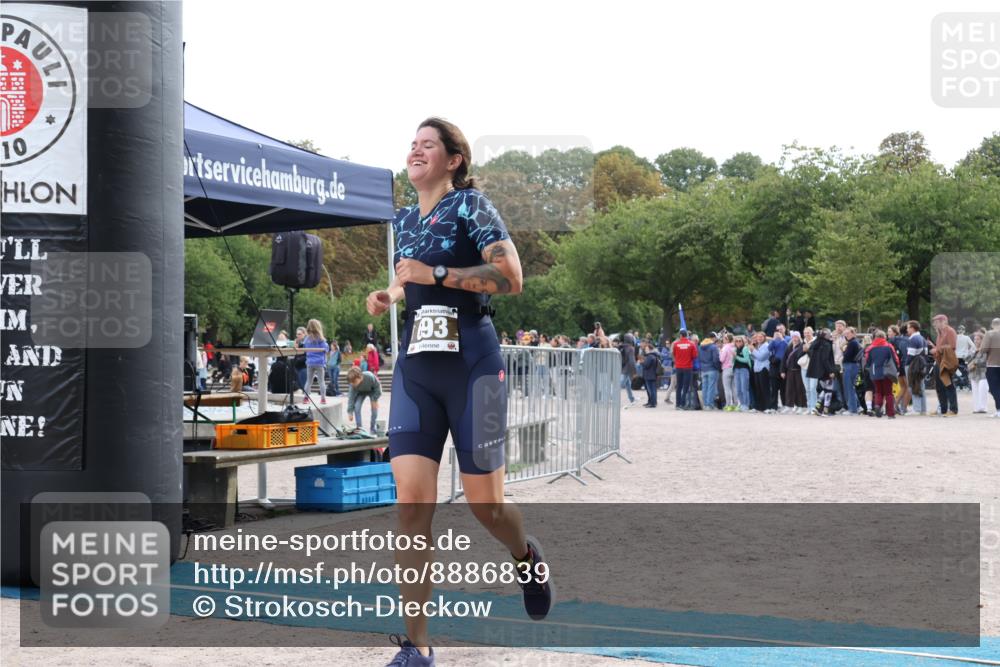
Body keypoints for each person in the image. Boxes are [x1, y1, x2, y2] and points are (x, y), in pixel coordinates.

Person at [365, 117, 549, 665]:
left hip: (476, 365)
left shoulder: (473, 207)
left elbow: (511, 278)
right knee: (411, 505)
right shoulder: (403, 216)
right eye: (412, 144)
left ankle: (525, 555)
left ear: (454, 160)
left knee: (485, 505)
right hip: (418, 367)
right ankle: (417, 647)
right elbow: (408, 274)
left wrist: (436, 273)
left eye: (428, 144)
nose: (416, 150)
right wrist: (392, 293)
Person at [864, 329, 901, 418]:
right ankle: (890, 414)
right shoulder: (889, 346)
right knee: (888, 393)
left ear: (875, 337)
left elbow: (867, 362)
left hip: (875, 372)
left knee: (878, 391)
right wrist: (897, 368)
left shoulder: (870, 348)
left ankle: (877, 405)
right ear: (885, 337)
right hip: (887, 372)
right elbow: (895, 359)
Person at [930, 314, 959, 416]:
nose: (934, 324)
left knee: (948, 385)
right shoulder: (939, 333)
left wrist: (937, 349)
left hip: (947, 362)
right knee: (939, 386)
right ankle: (943, 409)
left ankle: (953, 410)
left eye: (936, 322)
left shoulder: (950, 331)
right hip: (939, 361)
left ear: (944, 321)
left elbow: (953, 346)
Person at [806, 329, 837, 415]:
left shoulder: (816, 343)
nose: (830, 335)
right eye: (828, 334)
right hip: (826, 370)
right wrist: (830, 370)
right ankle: (825, 409)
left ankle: (817, 406)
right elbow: (825, 359)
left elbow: (810, 352)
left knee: (825, 389)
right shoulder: (826, 344)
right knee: (829, 390)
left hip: (819, 370)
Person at [301, 319, 330, 406]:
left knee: (309, 381)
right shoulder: (321, 339)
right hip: (319, 362)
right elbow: (326, 349)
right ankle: (323, 399)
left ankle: (306, 398)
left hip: (310, 362)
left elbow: (305, 347)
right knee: (321, 381)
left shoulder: (307, 339)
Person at [345, 366, 382, 433]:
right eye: (351, 383)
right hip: (360, 393)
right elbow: (351, 398)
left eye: (355, 382)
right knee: (357, 407)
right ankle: (360, 429)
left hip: (372, 391)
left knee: (374, 409)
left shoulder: (369, 376)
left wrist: (375, 399)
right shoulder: (353, 384)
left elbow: (378, 387)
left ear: (361, 377)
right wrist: (350, 412)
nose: (353, 384)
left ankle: (372, 428)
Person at [905, 320, 930, 416]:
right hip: (922, 364)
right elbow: (926, 353)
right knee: (921, 386)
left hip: (913, 365)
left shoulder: (913, 339)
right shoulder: (922, 338)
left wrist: (906, 365)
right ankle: (923, 409)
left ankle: (916, 409)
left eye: (908, 327)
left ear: (912, 328)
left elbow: (910, 355)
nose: (907, 329)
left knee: (913, 385)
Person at [671, 329, 697, 410]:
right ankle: (683, 403)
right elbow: (695, 356)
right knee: (686, 386)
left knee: (679, 386)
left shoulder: (676, 344)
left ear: (680, 335)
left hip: (678, 367)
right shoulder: (691, 344)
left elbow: (674, 354)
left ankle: (677, 404)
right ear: (687, 335)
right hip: (688, 367)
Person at [782, 331, 808, 413]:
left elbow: (801, 356)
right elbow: (784, 359)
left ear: (799, 337)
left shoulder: (801, 346)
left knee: (799, 389)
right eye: (793, 337)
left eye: (796, 337)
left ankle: (801, 406)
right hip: (790, 370)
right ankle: (789, 406)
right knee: (789, 389)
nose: (795, 338)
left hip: (799, 370)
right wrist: (782, 371)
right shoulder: (789, 346)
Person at [980, 317, 1000, 417]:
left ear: (992, 325)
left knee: (994, 388)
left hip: (993, 365)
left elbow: (984, 349)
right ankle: (998, 410)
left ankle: (999, 410)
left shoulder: (989, 333)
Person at [841, 327, 862, 415]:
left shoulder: (852, 343)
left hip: (850, 365)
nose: (846, 335)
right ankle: (857, 407)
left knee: (849, 388)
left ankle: (853, 409)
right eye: (846, 334)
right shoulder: (854, 342)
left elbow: (847, 356)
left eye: (848, 333)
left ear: (853, 334)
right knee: (851, 387)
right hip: (853, 366)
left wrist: (843, 349)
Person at [698, 332, 721, 410]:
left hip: (703, 369)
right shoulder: (713, 347)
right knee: (711, 387)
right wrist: (718, 367)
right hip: (712, 369)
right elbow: (715, 359)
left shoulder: (700, 346)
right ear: (713, 338)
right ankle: (710, 404)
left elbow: (699, 358)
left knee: (705, 387)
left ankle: (705, 404)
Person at [750, 332, 772, 413]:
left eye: (761, 337)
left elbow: (761, 357)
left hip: (764, 369)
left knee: (765, 389)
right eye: (757, 337)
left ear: (764, 337)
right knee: (758, 389)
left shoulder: (766, 346)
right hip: (757, 369)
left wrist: (753, 350)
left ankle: (767, 407)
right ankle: (759, 407)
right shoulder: (757, 346)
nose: (759, 338)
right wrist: (752, 350)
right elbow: (754, 358)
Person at [969, 330, 990, 414]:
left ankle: (983, 407)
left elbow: (984, 360)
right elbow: (967, 358)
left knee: (983, 390)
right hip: (973, 373)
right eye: (975, 339)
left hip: (983, 373)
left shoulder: (985, 349)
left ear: (982, 340)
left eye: (978, 339)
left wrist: (974, 362)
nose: (975, 341)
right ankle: (977, 408)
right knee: (975, 390)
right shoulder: (972, 349)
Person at [732, 335, 752, 411]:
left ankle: (746, 405)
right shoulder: (735, 349)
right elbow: (733, 361)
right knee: (738, 389)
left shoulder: (745, 348)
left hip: (744, 369)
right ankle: (742, 404)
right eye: (736, 341)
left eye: (740, 341)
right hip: (736, 370)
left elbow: (746, 360)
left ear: (743, 342)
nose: (738, 342)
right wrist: (733, 358)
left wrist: (736, 357)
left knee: (744, 388)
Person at [639, 341, 661, 407]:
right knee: (652, 389)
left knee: (651, 390)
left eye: (646, 349)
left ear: (650, 349)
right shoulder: (654, 356)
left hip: (649, 376)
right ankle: (652, 402)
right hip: (652, 375)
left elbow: (646, 365)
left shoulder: (650, 356)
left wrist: (641, 362)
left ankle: (652, 403)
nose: (645, 350)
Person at [801, 327, 818, 411]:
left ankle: (814, 407)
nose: (807, 334)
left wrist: (807, 350)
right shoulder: (803, 342)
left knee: (812, 388)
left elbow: (816, 356)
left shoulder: (816, 342)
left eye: (808, 332)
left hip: (814, 368)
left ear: (812, 333)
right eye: (805, 333)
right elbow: (798, 355)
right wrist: (803, 351)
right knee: (807, 388)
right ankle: (809, 407)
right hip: (804, 367)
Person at [719, 333, 737, 411]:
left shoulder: (725, 347)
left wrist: (720, 352)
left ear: (727, 339)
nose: (723, 340)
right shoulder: (735, 347)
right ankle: (736, 404)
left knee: (727, 388)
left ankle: (728, 404)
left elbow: (721, 359)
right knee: (734, 388)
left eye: (724, 338)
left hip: (726, 368)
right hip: (734, 368)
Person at [620, 333, 638, 408]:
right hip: (627, 369)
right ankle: (611, 398)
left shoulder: (622, 346)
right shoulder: (630, 348)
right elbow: (632, 361)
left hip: (622, 367)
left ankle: (632, 399)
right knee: (620, 385)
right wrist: (634, 372)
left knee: (628, 385)